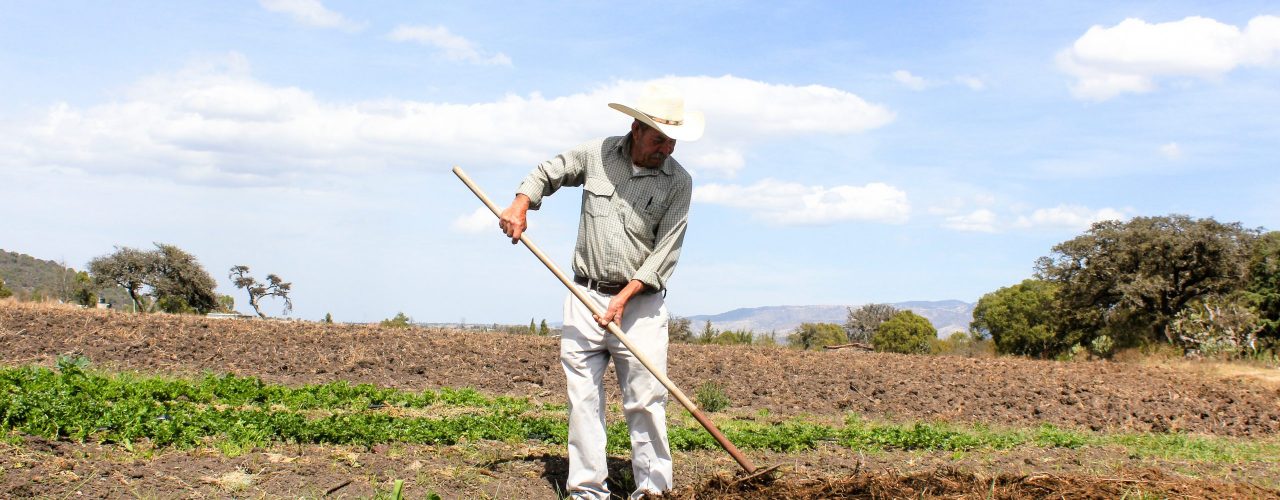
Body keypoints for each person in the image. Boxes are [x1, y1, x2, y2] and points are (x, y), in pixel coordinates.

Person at [498, 83, 702, 499]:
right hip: (584, 295)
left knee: (646, 400)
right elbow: (547, 172)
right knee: (583, 400)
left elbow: (665, 253)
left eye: (672, 141)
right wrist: (521, 204)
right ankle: (588, 491)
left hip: (639, 305)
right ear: (636, 128)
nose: (666, 149)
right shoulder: (597, 155)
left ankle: (653, 491)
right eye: (658, 138)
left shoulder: (679, 182)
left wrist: (622, 300)